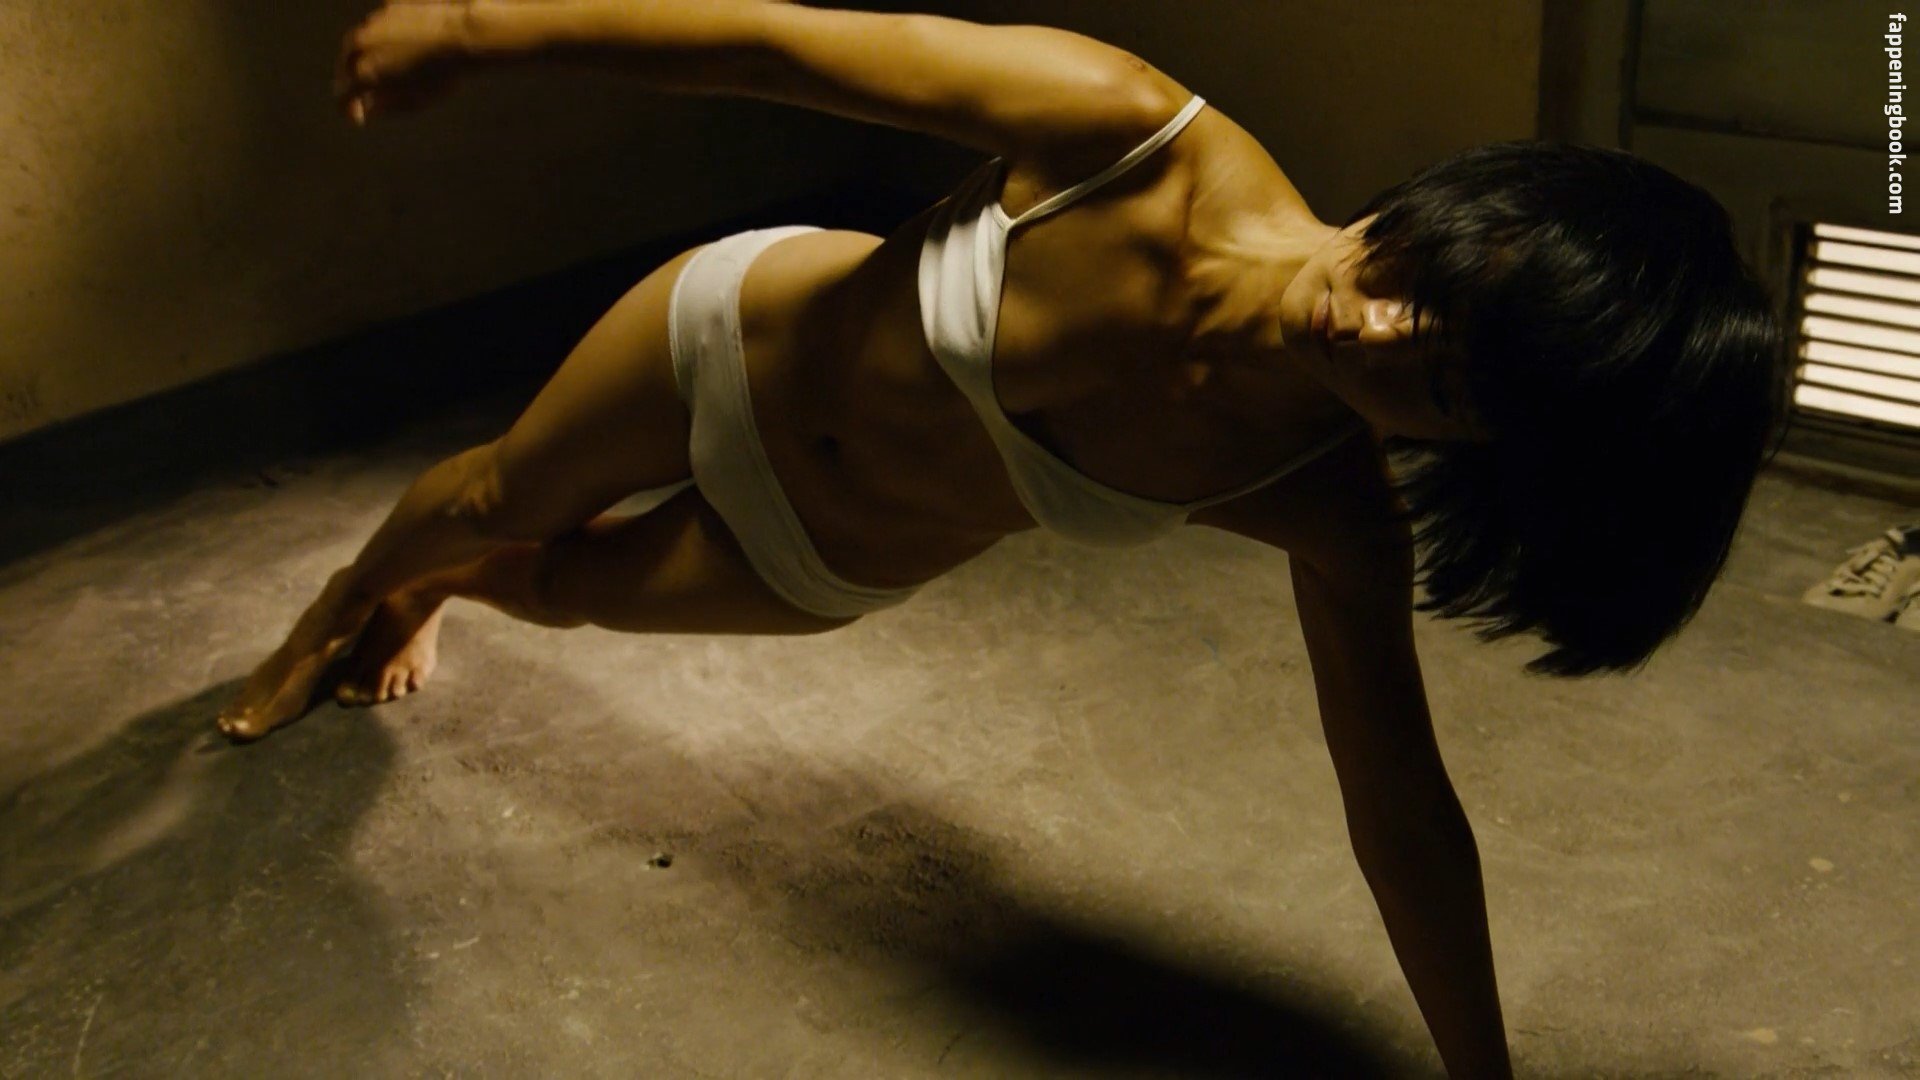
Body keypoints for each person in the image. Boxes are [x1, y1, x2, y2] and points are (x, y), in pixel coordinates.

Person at [219, 3, 1789, 1075]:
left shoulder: (1322, 496)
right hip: (726, 341)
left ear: (1469, 448)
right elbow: (773, 45)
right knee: (496, 496)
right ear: (1454, 207)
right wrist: (479, 31)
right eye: (1423, 281)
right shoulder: (1134, 135)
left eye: (1435, 381)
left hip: (827, 560)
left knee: (558, 589)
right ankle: (353, 596)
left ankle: (446, 598)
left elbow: (1400, 807)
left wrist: (1481, 1072)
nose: (1370, 326)